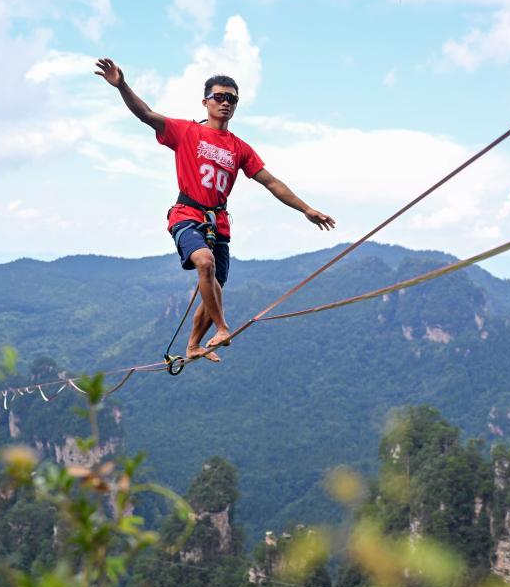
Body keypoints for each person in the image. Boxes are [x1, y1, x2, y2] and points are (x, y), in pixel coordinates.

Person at [96, 58, 336, 362]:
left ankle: (193, 344)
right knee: (205, 263)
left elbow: (271, 182)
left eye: (231, 99)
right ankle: (223, 328)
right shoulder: (186, 132)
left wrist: (306, 209)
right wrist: (122, 86)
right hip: (187, 214)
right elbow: (146, 114)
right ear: (205, 102)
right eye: (219, 97)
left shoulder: (239, 148)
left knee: (216, 284)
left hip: (218, 222)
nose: (225, 103)